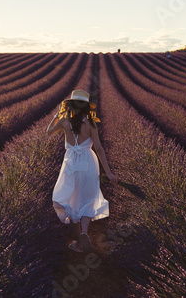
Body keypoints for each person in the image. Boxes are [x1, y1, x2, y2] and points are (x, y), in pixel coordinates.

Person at [46, 90, 117, 253]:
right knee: (87, 198)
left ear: (70, 105)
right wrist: (109, 172)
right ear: (86, 108)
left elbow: (49, 131)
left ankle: (79, 241)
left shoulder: (64, 120)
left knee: (72, 199)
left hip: (70, 162)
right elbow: (99, 148)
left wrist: (57, 114)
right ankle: (84, 232)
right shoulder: (91, 124)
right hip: (88, 162)